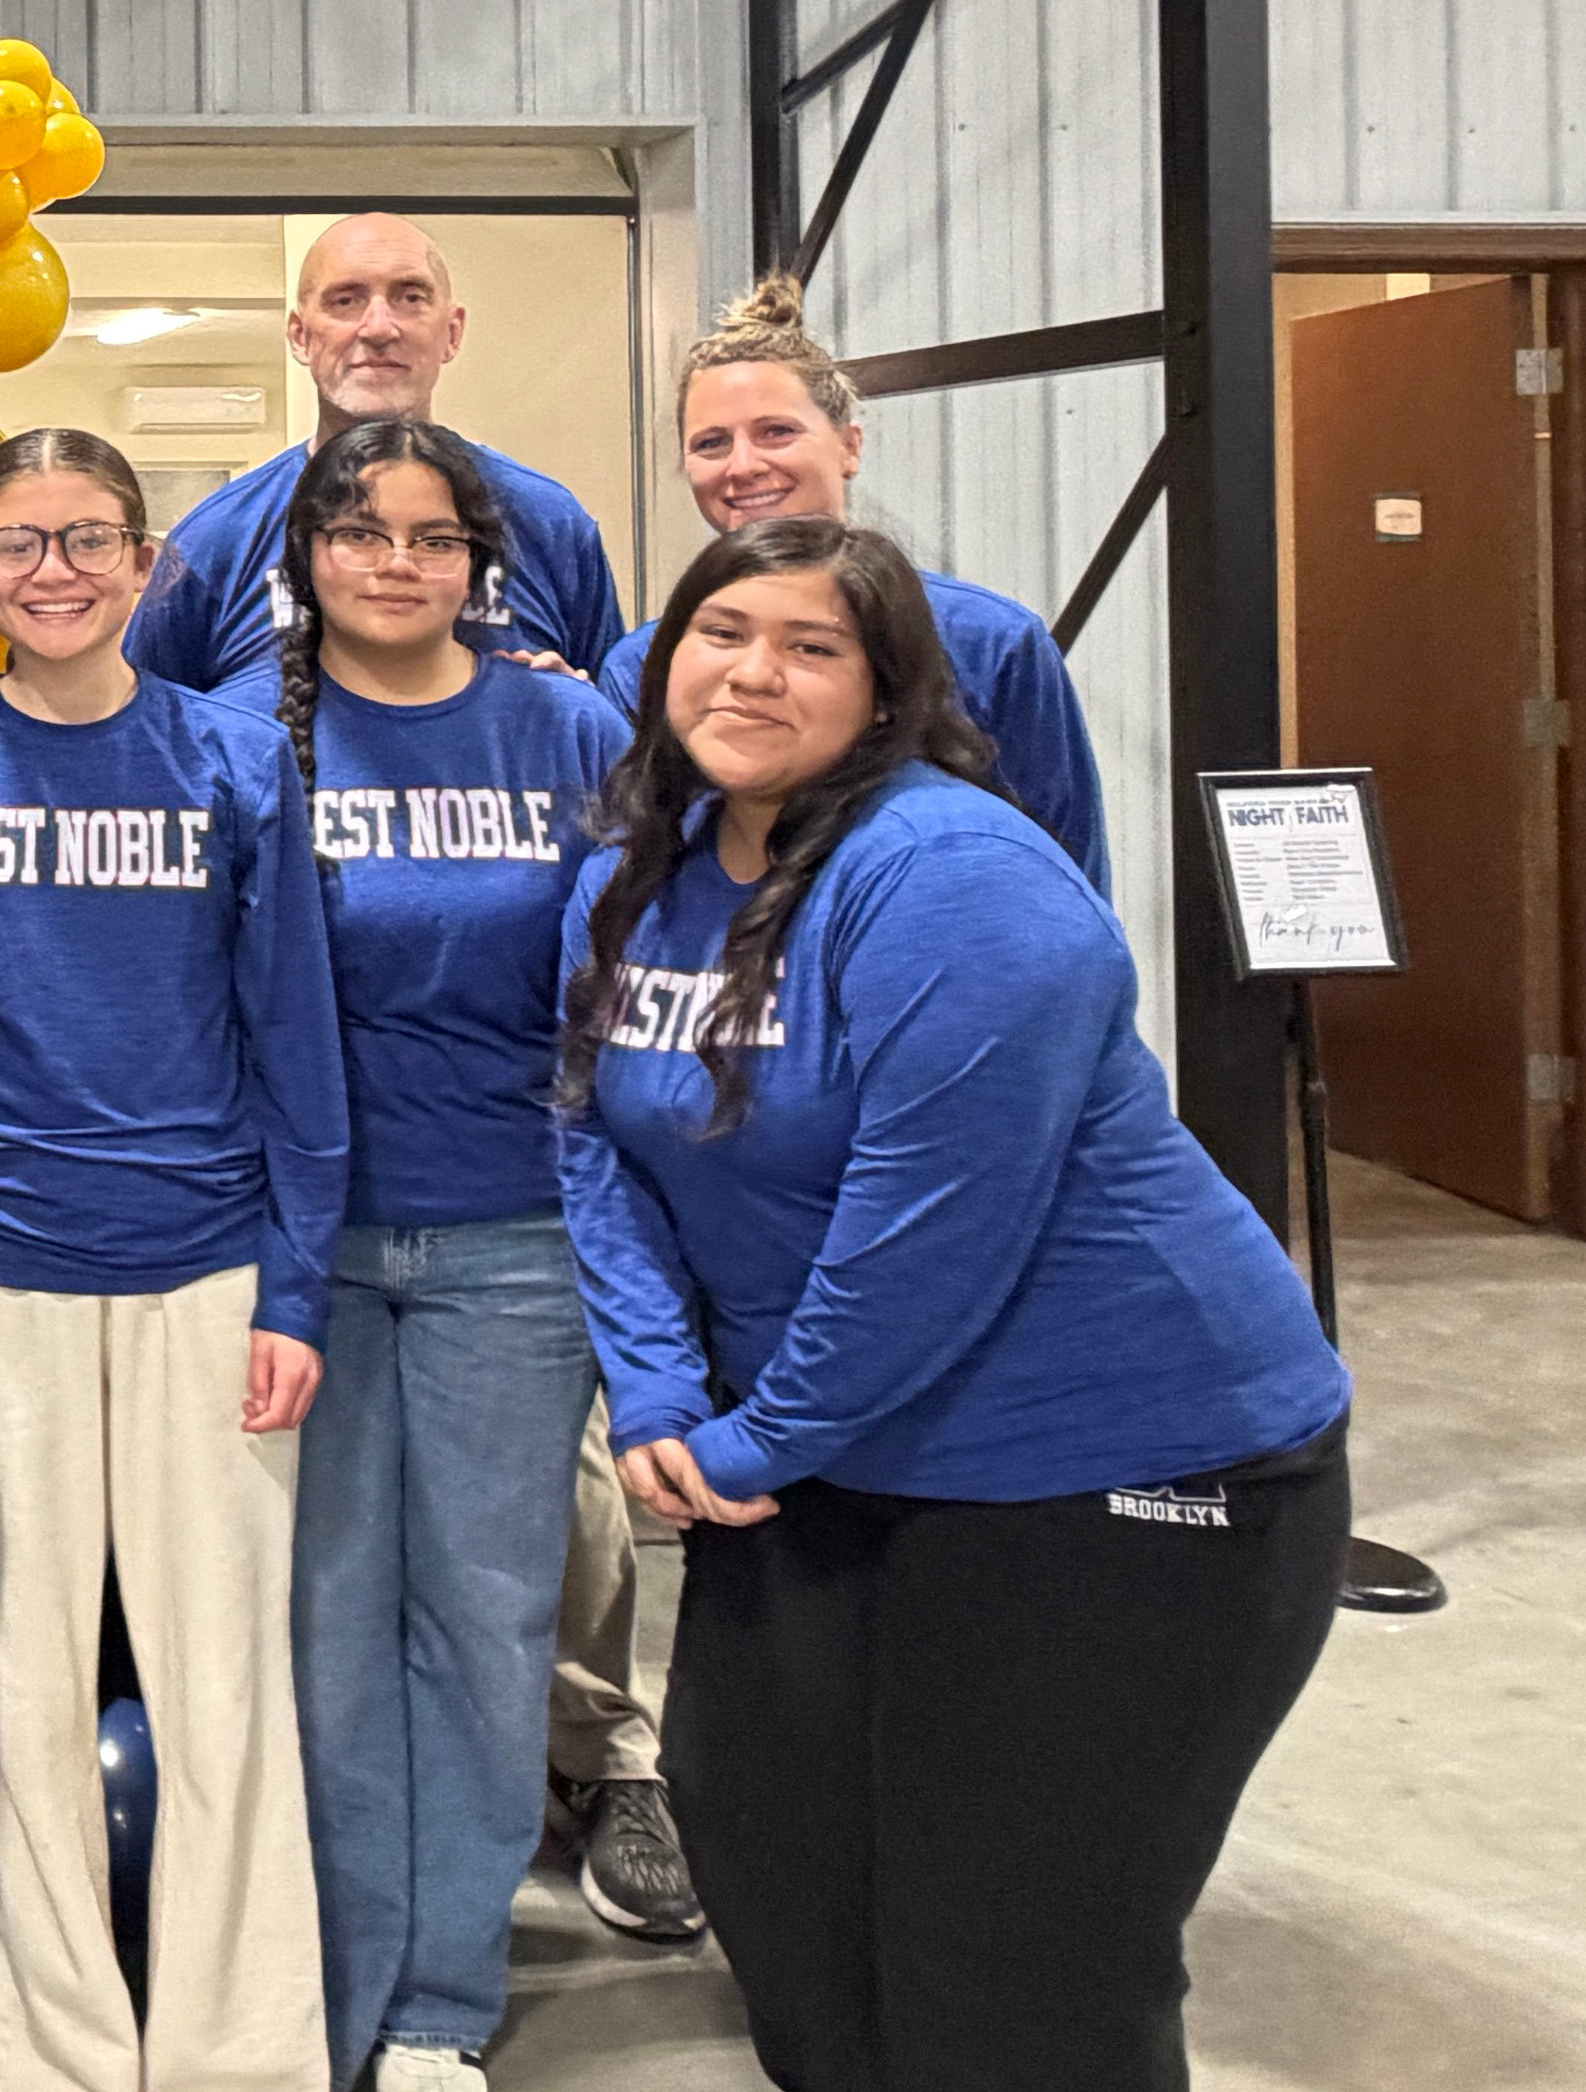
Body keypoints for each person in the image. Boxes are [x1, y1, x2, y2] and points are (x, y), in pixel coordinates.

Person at [557, 517, 1354, 2092]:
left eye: (811, 645)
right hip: (829, 1466)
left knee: (1016, 1965)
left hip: (1112, 1472)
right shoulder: (637, 872)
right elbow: (594, 1139)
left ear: (889, 685)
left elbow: (929, 1233)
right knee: (781, 1884)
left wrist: (758, 1431)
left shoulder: (959, 875)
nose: (754, 671)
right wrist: (655, 1395)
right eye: (721, 633)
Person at [0, 426, 347, 2092]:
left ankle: (239, 2049)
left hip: (206, 1272)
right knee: (19, 1694)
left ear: (146, 568)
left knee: (221, 1686)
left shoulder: (230, 763)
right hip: (4, 1278)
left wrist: (293, 1287)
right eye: (16, 544)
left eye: (87, 540)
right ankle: (57, 2051)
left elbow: (295, 1040)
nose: (54, 571)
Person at [203, 427, 631, 2092]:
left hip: (508, 1240)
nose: (396, 562)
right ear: (302, 556)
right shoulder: (235, 739)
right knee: (316, 1624)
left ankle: (445, 1990)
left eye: (432, 537)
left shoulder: (568, 726)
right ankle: (332, 1969)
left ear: (481, 561)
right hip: (288, 1255)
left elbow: (614, 1011)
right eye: (361, 533)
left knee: (482, 1617)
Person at [589, 280, 1106, 884]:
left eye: (776, 431)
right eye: (711, 443)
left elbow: (1064, 869)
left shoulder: (990, 643)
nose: (744, 464)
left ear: (849, 445)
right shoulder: (643, 664)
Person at [124, 214, 621, 692]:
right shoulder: (218, 538)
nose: (380, 327)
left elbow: (629, 742)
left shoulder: (548, 522)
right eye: (345, 300)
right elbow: (150, 737)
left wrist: (574, 705)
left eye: (410, 297)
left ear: (451, 333)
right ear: (300, 335)